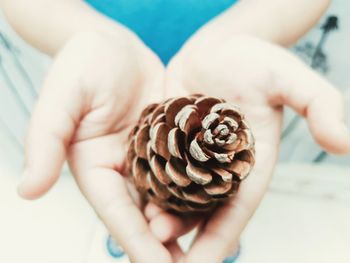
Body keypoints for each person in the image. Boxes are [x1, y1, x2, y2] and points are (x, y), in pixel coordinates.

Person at [1, 0, 349, 262]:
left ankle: (204, 220)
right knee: (106, 168)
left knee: (232, 184)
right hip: (103, 80)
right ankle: (138, 213)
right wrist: (83, 35)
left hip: (236, 66)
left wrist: (247, 31)